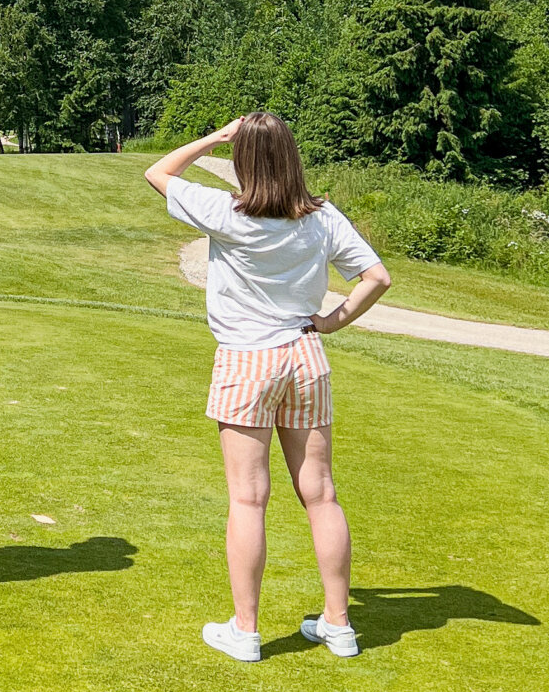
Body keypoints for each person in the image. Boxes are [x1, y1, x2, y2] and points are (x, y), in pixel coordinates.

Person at [146, 111, 392, 664]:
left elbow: (158, 172)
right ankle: (338, 624)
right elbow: (377, 277)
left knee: (248, 498)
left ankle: (246, 630)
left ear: (242, 161)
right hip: (306, 355)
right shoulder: (322, 217)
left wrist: (216, 135)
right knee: (321, 494)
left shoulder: (225, 212)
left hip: (246, 359)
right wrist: (331, 322)